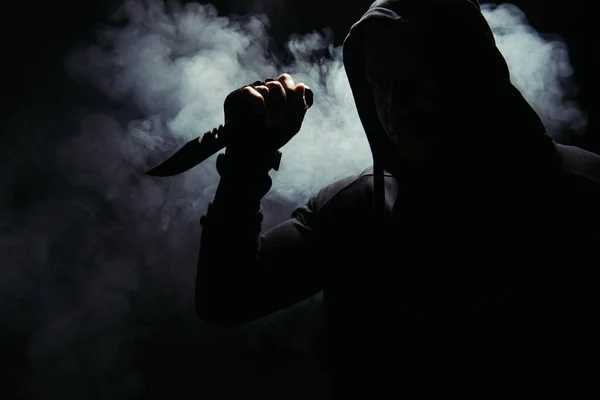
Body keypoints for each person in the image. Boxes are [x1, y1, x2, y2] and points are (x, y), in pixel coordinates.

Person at [195, 0, 600, 397]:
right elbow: (225, 299)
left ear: (470, 73)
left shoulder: (583, 191)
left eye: (413, 77)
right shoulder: (354, 211)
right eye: (379, 84)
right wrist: (247, 165)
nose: (394, 104)